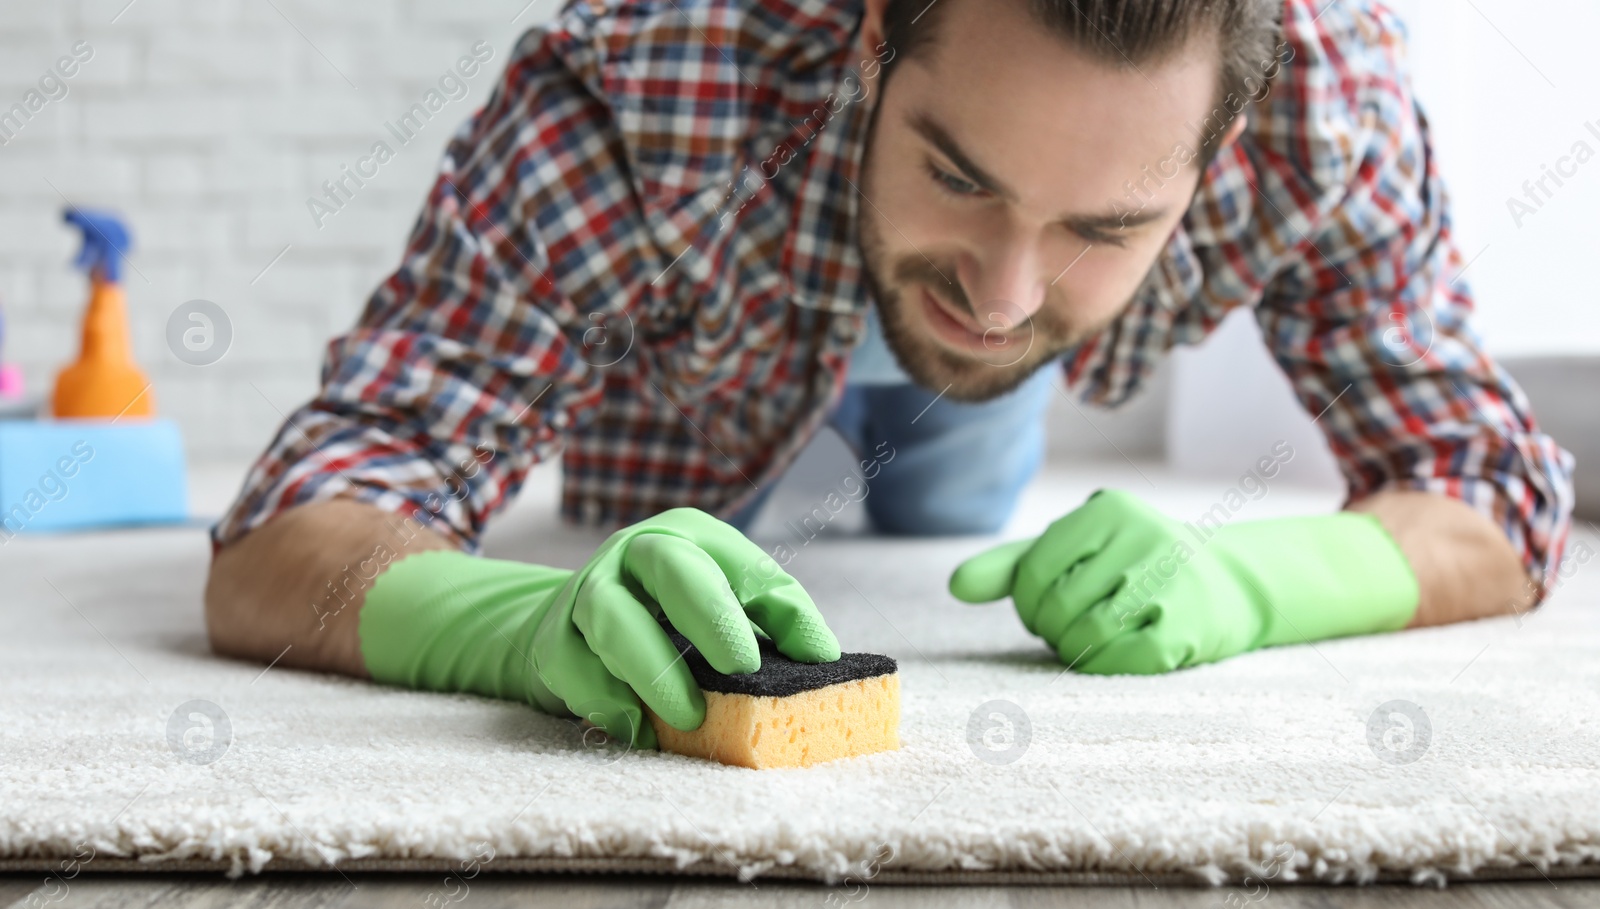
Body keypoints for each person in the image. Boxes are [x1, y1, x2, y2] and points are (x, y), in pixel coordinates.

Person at [206, 0, 1573, 748]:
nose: (1005, 290)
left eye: (1106, 226)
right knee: (711, 567)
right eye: (958, 175)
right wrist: (508, 625)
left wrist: (1253, 583)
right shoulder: (635, 78)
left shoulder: (1333, 100)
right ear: (872, 35)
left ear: (1222, 152)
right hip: (699, 409)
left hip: (986, 436)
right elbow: (284, 530)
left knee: (939, 514)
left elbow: (1493, 490)